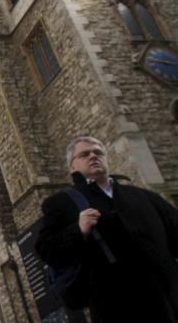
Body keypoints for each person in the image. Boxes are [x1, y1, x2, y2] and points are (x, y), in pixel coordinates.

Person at [35, 136, 178, 322]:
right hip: (115, 306)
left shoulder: (143, 196)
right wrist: (77, 230)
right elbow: (47, 250)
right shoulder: (61, 203)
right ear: (72, 166)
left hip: (169, 299)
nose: (93, 156)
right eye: (85, 154)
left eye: (98, 152)